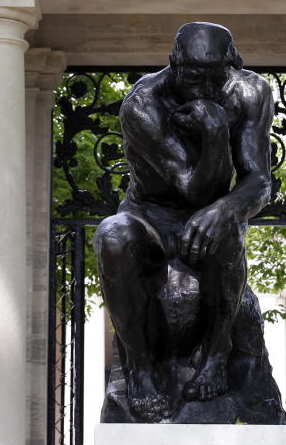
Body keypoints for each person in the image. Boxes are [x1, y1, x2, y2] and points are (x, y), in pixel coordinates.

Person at [93, 22, 275, 422]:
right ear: (174, 63)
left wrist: (225, 210)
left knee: (225, 226)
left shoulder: (251, 91)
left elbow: (259, 181)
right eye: (194, 74)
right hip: (151, 217)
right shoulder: (142, 102)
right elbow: (193, 188)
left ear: (234, 65)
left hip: (212, 215)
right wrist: (213, 133)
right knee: (112, 236)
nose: (204, 86)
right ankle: (140, 372)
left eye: (215, 76)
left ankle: (215, 355)